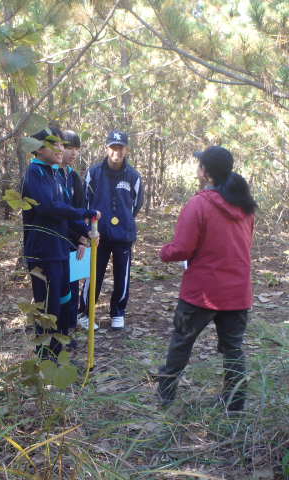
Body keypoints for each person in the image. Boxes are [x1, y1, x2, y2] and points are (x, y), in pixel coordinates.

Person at [155, 146, 257, 411]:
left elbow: (182, 249)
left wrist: (163, 252)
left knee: (181, 343)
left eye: (199, 164)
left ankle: (165, 397)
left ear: (205, 172)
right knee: (233, 349)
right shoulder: (245, 206)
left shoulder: (199, 204)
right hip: (237, 293)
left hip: (202, 292)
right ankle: (235, 405)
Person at [21, 127, 98, 360]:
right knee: (48, 307)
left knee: (64, 300)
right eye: (54, 144)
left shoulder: (55, 174)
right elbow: (49, 207)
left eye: (62, 145)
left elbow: (66, 213)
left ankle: (58, 352)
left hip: (60, 248)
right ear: (38, 148)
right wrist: (84, 212)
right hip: (43, 253)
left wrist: (86, 232)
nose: (60, 149)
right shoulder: (34, 173)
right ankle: (46, 358)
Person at [78, 130, 144, 331]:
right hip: (98, 234)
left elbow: (136, 204)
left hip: (123, 235)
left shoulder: (134, 176)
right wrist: (88, 230)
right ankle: (84, 313)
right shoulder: (94, 173)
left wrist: (124, 220)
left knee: (122, 275)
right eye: (113, 147)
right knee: (93, 274)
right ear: (106, 148)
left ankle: (118, 313)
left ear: (126, 149)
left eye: (121, 147)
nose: (117, 151)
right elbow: (85, 202)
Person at [60, 130, 87, 337]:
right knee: (57, 290)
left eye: (77, 149)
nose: (74, 153)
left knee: (72, 288)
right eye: (69, 147)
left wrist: (82, 240)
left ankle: (69, 329)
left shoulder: (74, 177)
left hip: (73, 243)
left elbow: (80, 211)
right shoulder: (49, 175)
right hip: (55, 242)